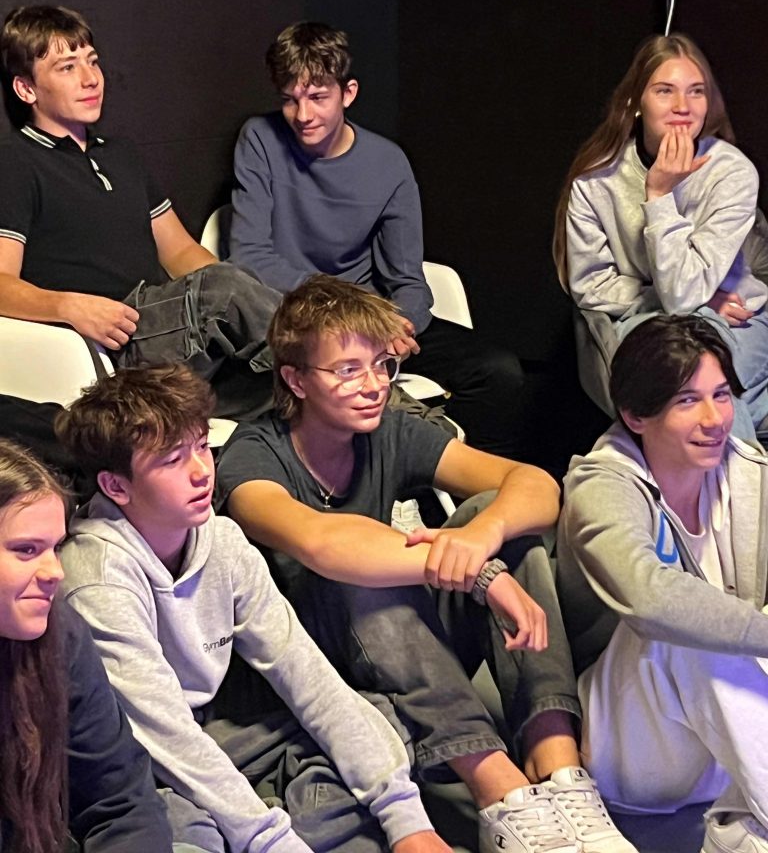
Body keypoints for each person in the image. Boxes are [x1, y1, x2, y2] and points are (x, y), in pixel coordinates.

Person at [216, 274, 637, 853]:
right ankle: (500, 792)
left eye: (382, 365)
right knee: (363, 575)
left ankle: (559, 765)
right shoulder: (251, 455)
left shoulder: (389, 429)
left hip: (402, 642)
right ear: (295, 379)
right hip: (318, 662)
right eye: (347, 370)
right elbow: (323, 544)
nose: (373, 386)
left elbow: (535, 484)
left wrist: (484, 535)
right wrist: (483, 577)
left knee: (499, 519)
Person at [55, 363, 450, 853]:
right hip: (133, 760)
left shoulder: (221, 539)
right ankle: (277, 822)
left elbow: (306, 675)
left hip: (214, 732)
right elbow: (165, 736)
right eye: (173, 459)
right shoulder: (95, 578)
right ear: (116, 487)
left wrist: (407, 821)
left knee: (380, 721)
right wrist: (272, 840)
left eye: (202, 446)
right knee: (178, 829)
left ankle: (274, 817)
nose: (202, 471)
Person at [228, 20, 524, 457]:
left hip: (373, 322)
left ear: (348, 93)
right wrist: (346, 311)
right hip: (293, 318)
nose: (303, 115)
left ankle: (470, 482)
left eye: (317, 97)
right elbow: (249, 256)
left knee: (499, 372)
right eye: (290, 100)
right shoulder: (260, 139)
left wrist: (398, 326)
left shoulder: (388, 162)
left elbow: (408, 278)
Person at [0, 5, 279, 419]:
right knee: (230, 295)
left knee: (285, 388)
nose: (91, 78)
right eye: (67, 67)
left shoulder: (122, 154)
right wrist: (69, 307)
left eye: (93, 61)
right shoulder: (16, 162)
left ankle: (350, 374)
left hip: (167, 325)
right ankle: (339, 349)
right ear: (27, 89)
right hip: (111, 341)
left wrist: (244, 293)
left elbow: (180, 252)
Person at [558, 314, 768, 853]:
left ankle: (743, 831)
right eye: (687, 401)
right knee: (685, 626)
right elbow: (650, 599)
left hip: (727, 748)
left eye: (721, 395)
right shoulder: (601, 484)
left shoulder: (750, 473)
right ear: (635, 415)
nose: (714, 419)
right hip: (628, 740)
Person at [553, 32, 768, 431]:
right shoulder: (596, 179)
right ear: (636, 101)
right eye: (665, 91)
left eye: (696, 91)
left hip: (737, 317)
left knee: (702, 377)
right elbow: (591, 285)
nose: (683, 106)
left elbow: (684, 294)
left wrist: (661, 198)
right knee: (679, 377)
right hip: (645, 318)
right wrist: (659, 193)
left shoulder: (732, 173)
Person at [0, 437, 174, 853]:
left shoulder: (60, 634)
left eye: (55, 548)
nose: (55, 572)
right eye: (26, 550)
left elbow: (121, 800)